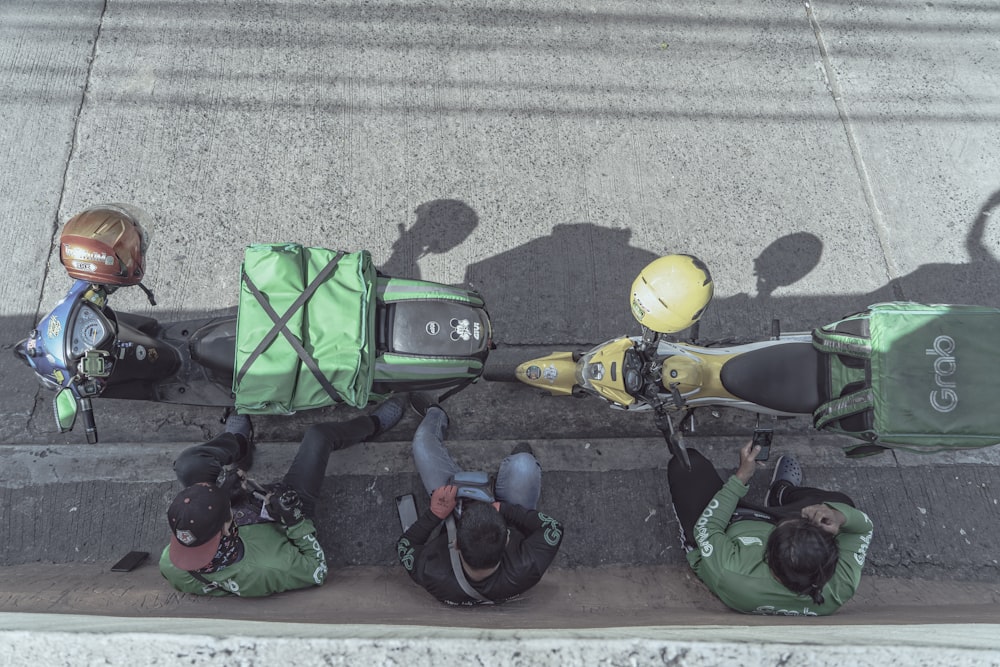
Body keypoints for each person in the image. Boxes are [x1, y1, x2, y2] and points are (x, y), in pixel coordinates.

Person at [159, 397, 405, 597]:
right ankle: (372, 425)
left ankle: (239, 443)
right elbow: (317, 571)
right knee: (319, 436)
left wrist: (226, 494)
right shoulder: (267, 568)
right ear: (226, 525)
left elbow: (202, 526)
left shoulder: (171, 563)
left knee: (189, 465)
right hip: (282, 516)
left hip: (240, 510)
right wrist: (294, 520)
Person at [668, 442, 874, 616]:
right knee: (840, 504)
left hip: (727, 527)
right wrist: (837, 516)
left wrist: (741, 478)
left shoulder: (730, 571)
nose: (801, 518)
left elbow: (708, 526)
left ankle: (687, 540)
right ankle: (781, 492)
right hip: (766, 522)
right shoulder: (840, 587)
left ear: (766, 554)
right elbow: (862, 529)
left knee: (686, 465)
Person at [396, 394, 564, 605]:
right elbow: (553, 529)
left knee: (422, 442)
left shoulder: (431, 572)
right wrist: (504, 509)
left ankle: (436, 414)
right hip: (507, 509)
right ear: (507, 541)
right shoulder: (528, 566)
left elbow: (405, 545)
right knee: (523, 465)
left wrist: (435, 514)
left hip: (449, 506)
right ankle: (520, 456)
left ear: (455, 543)